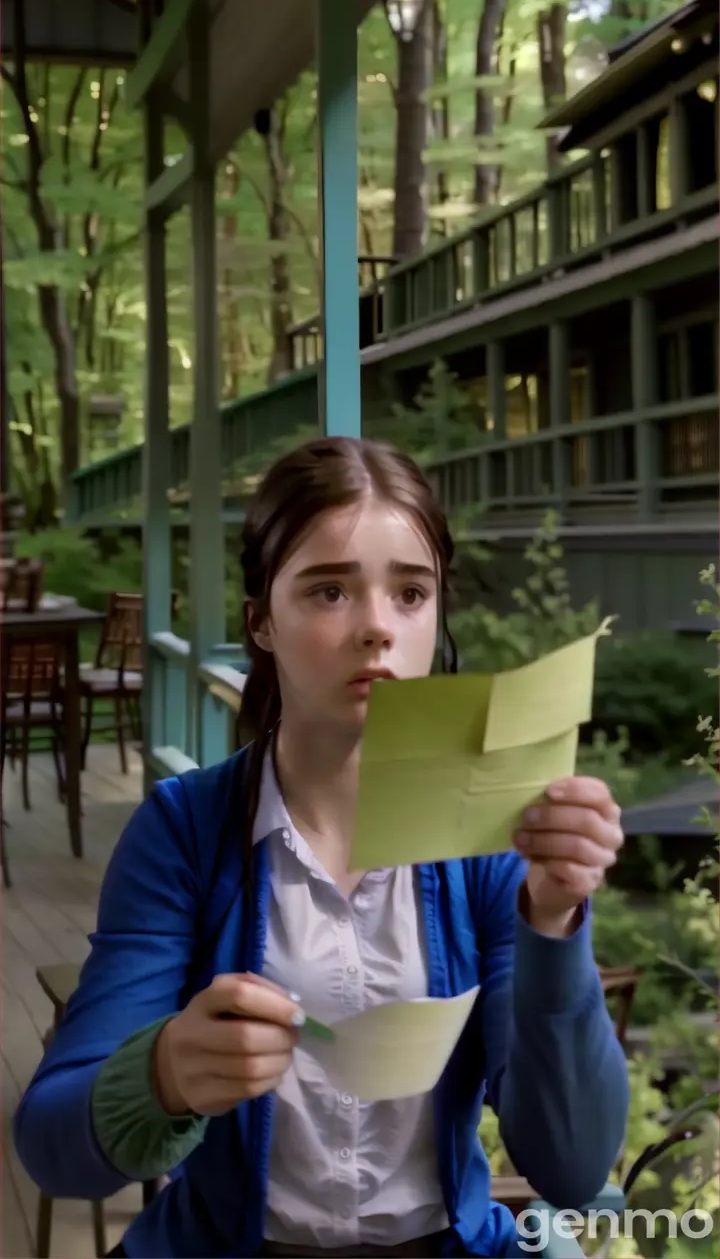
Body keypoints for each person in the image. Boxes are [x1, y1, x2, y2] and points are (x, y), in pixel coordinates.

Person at [14, 437, 629, 1259]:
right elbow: (53, 1149)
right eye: (330, 590)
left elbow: (573, 1167)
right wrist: (163, 1072)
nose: (377, 627)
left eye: (411, 593)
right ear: (261, 620)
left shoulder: (493, 842)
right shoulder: (184, 831)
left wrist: (553, 924)